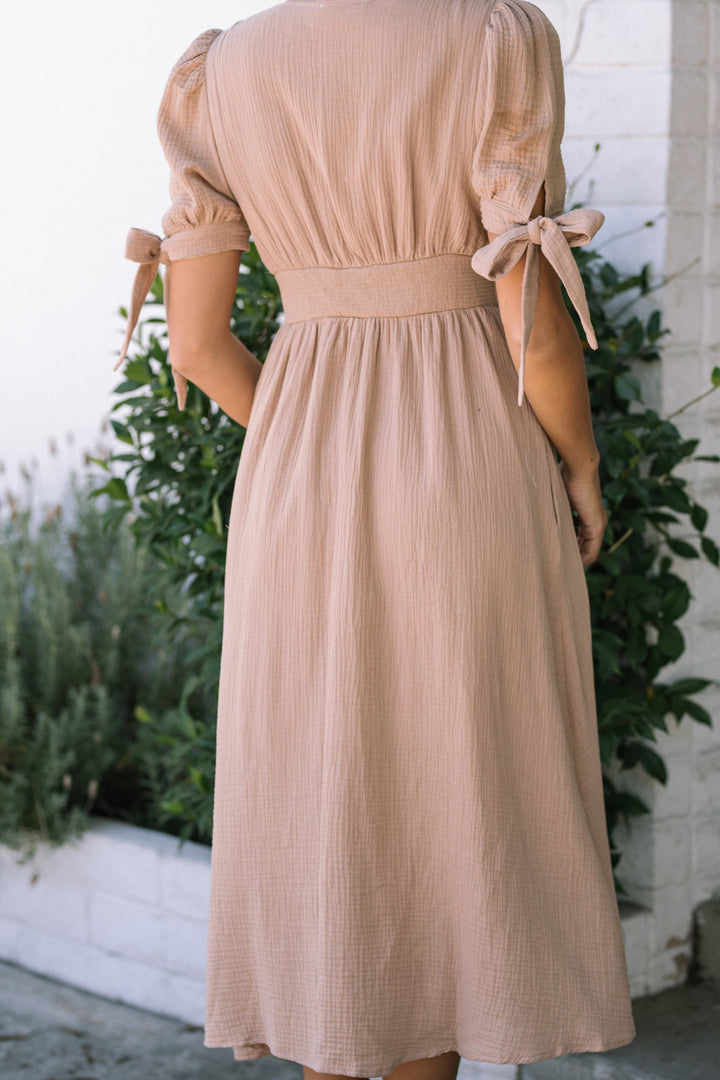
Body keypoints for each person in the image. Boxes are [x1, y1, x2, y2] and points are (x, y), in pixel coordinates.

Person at [115, 1, 636, 1078]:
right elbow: (529, 316)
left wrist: (319, 446)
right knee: (459, 800)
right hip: (472, 469)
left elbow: (203, 344)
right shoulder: (495, 38)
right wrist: (581, 467)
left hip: (296, 480)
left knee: (331, 800)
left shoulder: (223, 69)